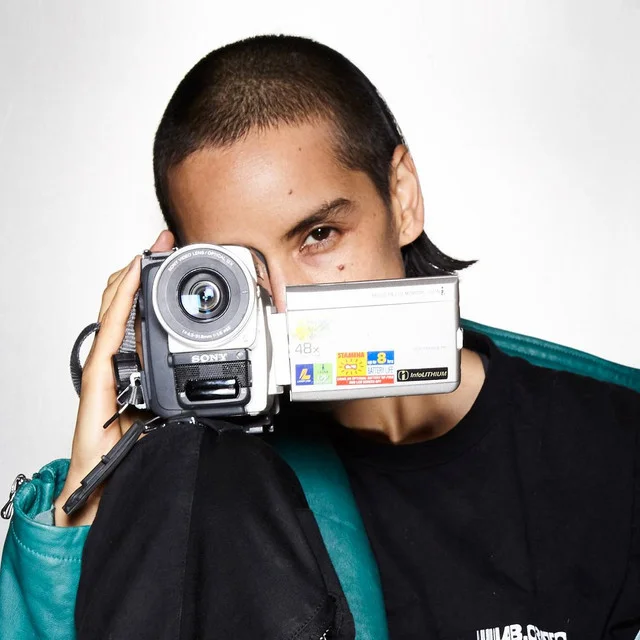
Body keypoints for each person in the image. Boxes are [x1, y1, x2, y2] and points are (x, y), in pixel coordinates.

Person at [2, 34, 640, 639]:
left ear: (402, 197)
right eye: (234, 275)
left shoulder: (614, 450)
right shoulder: (195, 484)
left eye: (319, 236)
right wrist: (89, 507)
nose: (286, 300)